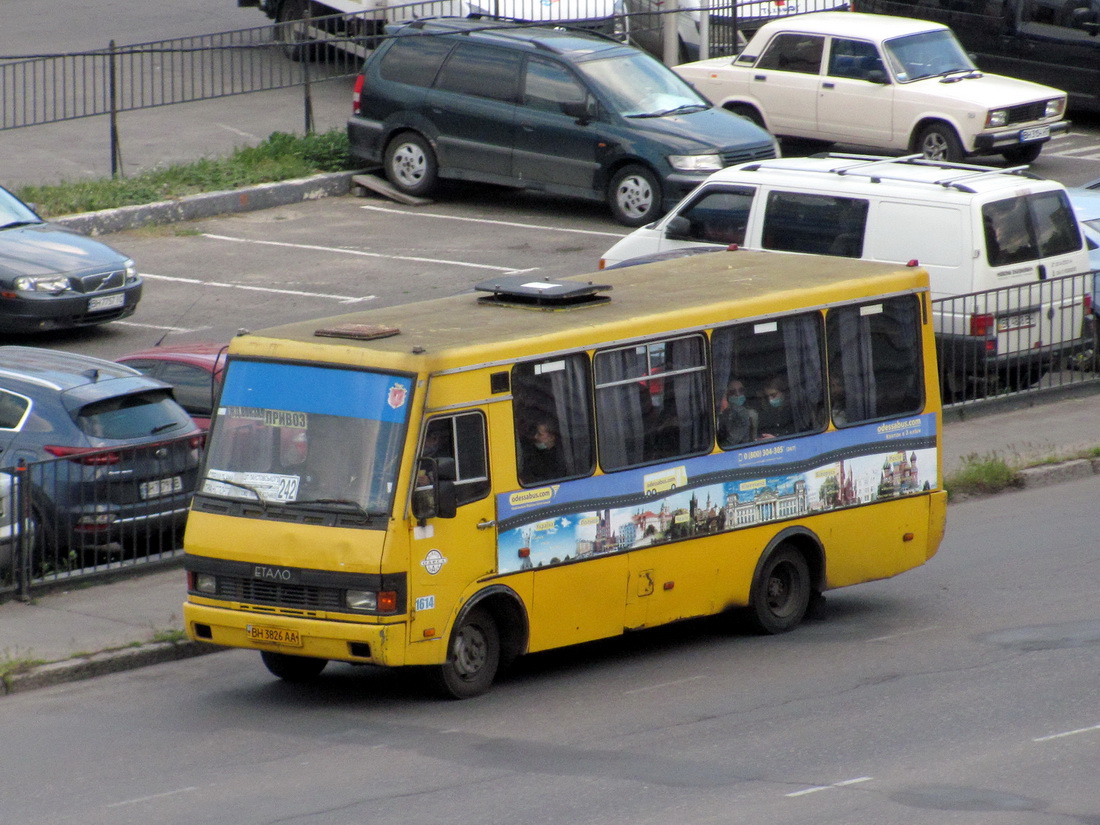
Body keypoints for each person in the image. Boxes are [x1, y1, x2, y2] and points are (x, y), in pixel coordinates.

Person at [519, 419, 566, 484]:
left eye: (540, 434)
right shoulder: (534, 451)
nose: (535, 437)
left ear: (551, 437)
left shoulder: (560, 458)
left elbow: (550, 480)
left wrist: (525, 481)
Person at [717, 377, 757, 447]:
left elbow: (729, 443)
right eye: (732, 392)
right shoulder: (722, 413)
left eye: (741, 390)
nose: (738, 394)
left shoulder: (743, 414)